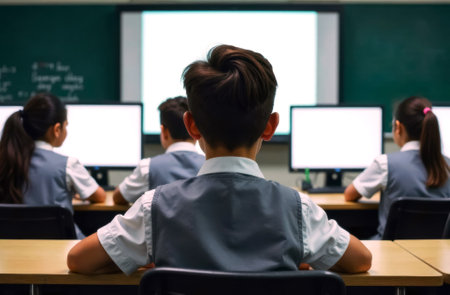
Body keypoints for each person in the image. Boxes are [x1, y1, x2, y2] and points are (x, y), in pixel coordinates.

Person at [67, 45, 371, 275]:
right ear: (271, 126)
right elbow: (361, 261)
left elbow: (78, 260)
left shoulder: (154, 207)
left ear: (191, 125)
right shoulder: (298, 210)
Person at [0, 93, 106, 238]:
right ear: (56, 129)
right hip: (61, 250)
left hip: (16, 248)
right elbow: (100, 196)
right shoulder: (68, 165)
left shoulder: (7, 161)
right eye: (65, 126)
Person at [345, 96, 450, 239]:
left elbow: (349, 194)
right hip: (436, 256)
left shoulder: (385, 163)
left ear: (398, 127)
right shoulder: (447, 165)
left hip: (391, 252)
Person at [113, 96, 205, 205]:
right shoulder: (209, 166)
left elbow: (119, 197)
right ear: (195, 128)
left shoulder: (148, 168)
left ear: (164, 131)